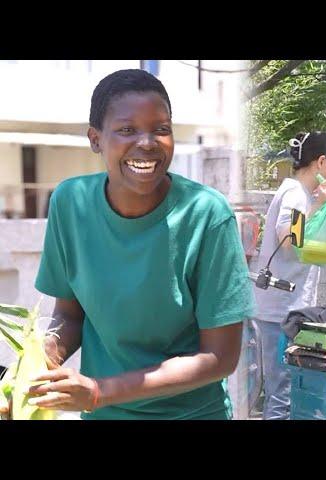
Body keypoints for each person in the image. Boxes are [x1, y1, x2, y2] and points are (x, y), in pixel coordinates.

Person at [6, 69, 254, 420]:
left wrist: (98, 391)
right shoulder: (70, 202)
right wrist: (29, 372)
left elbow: (219, 357)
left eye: (161, 129)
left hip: (190, 414)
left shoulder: (206, 215)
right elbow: (69, 315)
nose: (148, 142)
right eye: (127, 129)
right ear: (95, 139)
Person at [253, 131, 326, 420]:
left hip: (286, 308)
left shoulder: (297, 192)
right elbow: (288, 240)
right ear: (320, 162)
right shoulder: (295, 194)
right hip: (281, 310)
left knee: (287, 392)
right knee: (283, 393)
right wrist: (318, 204)